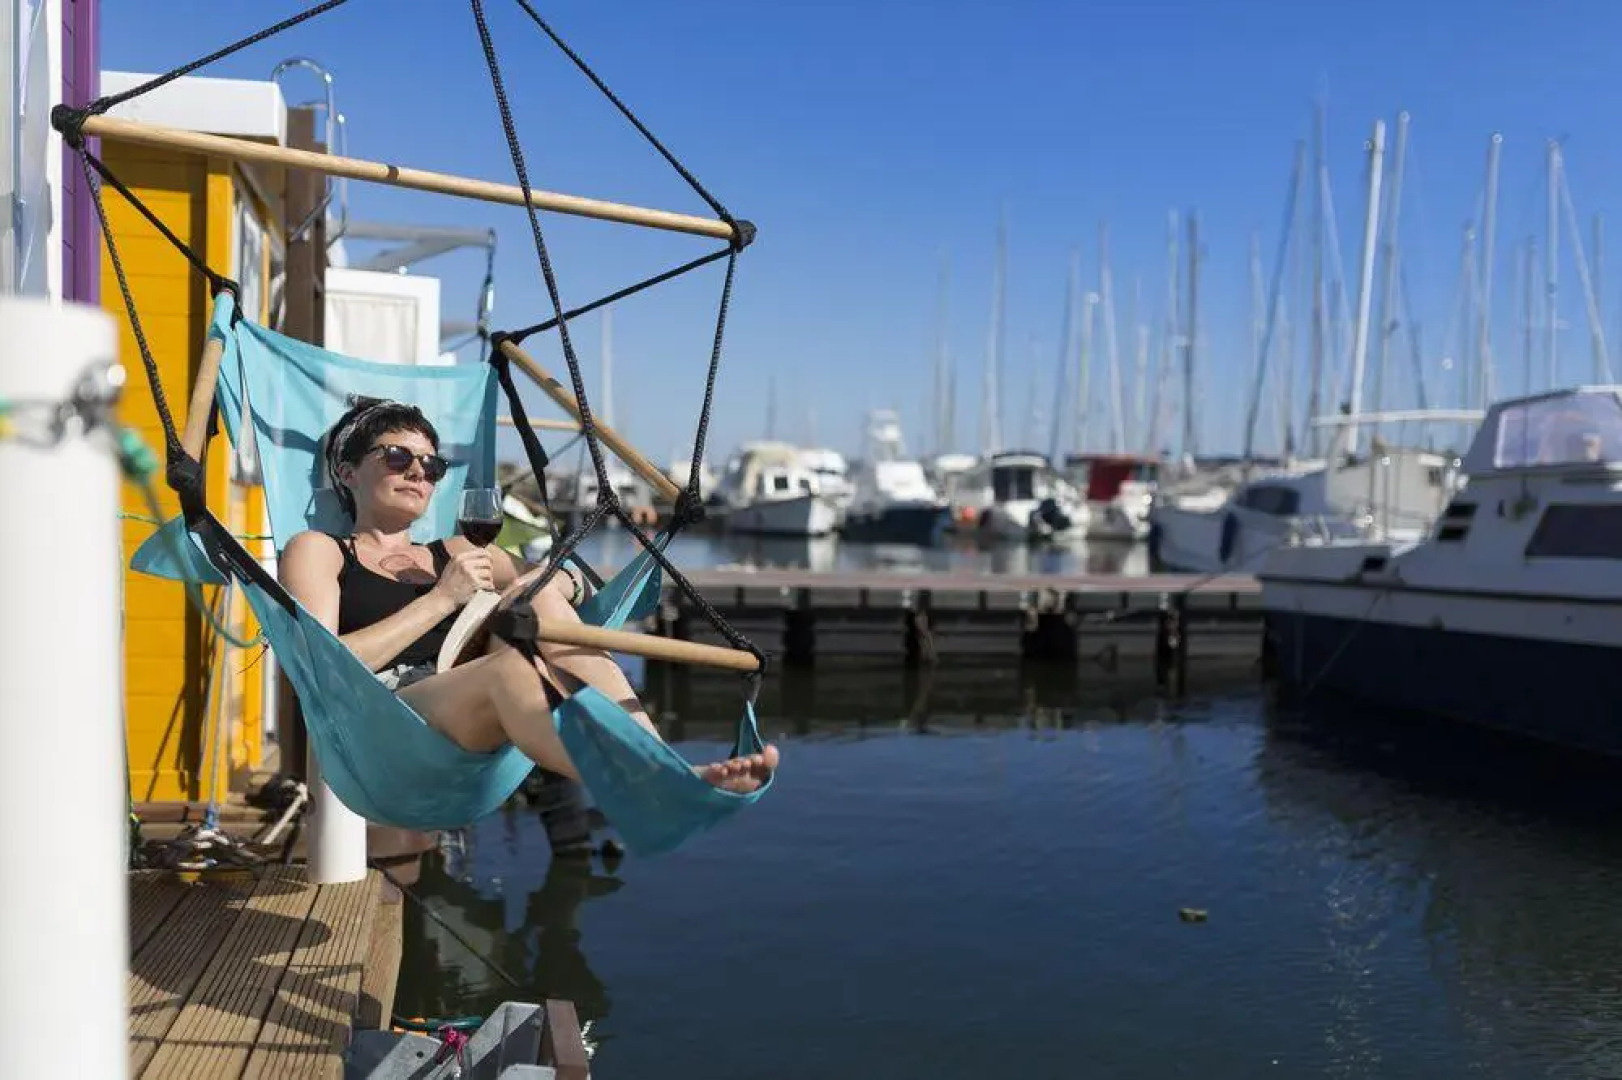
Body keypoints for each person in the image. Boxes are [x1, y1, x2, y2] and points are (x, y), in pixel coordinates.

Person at [277, 397, 777, 794]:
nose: (417, 473)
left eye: (432, 467)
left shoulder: (456, 547)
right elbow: (319, 665)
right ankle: (649, 781)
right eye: (397, 457)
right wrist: (440, 599)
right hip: (384, 715)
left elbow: (576, 582)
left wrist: (547, 583)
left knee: (533, 595)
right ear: (347, 472)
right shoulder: (320, 550)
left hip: (467, 692)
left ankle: (661, 762)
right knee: (511, 669)